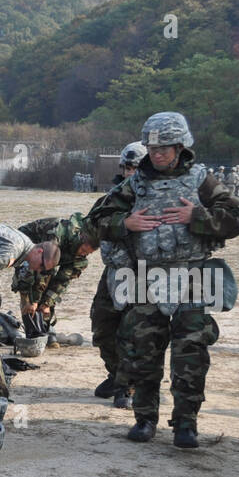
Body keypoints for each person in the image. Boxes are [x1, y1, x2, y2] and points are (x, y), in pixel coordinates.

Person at [88, 111, 239, 448]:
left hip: (193, 276)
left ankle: (186, 424)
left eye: (164, 149)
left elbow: (238, 218)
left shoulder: (203, 180)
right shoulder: (135, 183)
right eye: (152, 148)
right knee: (143, 350)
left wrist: (198, 216)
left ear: (180, 147)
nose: (157, 154)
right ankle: (145, 419)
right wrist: (125, 224)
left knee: (190, 351)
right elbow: (99, 217)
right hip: (147, 277)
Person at [90, 142, 146, 409]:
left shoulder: (153, 197)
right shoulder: (113, 195)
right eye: (125, 167)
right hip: (114, 269)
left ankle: (129, 384)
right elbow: (95, 223)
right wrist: (122, 223)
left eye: (133, 167)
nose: (127, 173)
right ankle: (116, 374)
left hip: (141, 274)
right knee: (102, 325)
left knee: (131, 332)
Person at [12, 213, 98, 341]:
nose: (84, 254)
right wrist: (34, 301)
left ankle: (44, 331)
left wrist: (46, 303)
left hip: (48, 258)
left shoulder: (79, 259)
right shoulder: (56, 234)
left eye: (88, 253)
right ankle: (32, 333)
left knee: (46, 300)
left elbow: (62, 281)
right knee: (29, 291)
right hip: (26, 247)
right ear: (81, 240)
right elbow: (43, 272)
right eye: (84, 251)